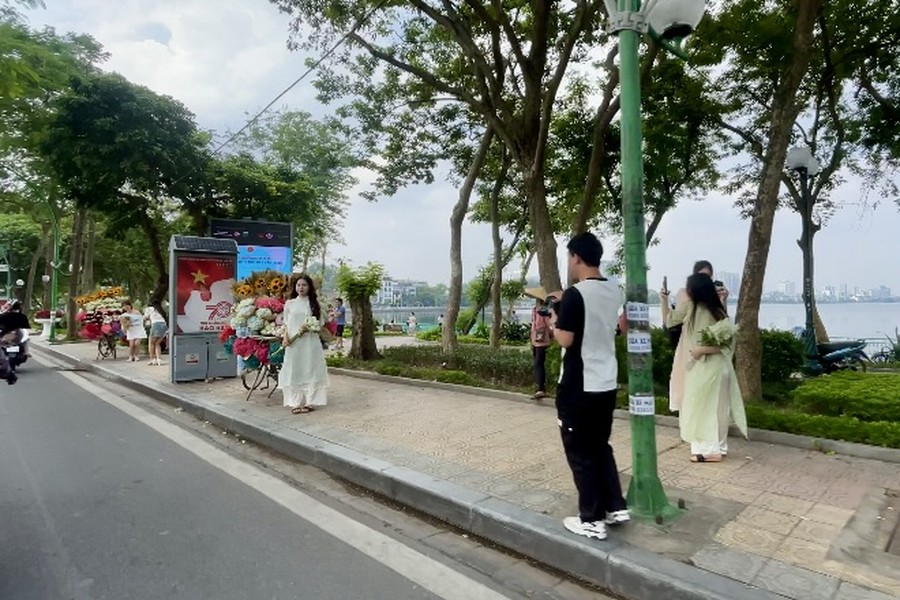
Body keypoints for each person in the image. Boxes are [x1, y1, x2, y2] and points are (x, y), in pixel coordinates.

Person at [550, 232, 629, 541]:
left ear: (577, 258)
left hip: (578, 384)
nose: (569, 263)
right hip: (606, 381)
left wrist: (556, 314)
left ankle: (591, 519)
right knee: (599, 445)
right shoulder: (614, 290)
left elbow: (565, 339)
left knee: (579, 451)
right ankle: (615, 506)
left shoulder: (575, 294)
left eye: (570, 257)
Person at [665, 273, 747, 462]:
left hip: (704, 368)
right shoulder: (718, 311)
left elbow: (670, 321)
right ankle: (720, 447)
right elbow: (727, 344)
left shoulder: (693, 308)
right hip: (722, 368)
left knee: (702, 408)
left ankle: (708, 451)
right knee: (720, 409)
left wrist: (701, 350)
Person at [662, 260, 727, 413]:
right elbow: (671, 319)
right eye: (702, 276)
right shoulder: (686, 296)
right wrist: (664, 300)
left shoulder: (714, 300)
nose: (705, 280)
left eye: (708, 277)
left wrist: (723, 300)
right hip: (689, 345)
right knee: (685, 382)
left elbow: (723, 326)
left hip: (708, 350)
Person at [279, 274, 329, 414]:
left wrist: (308, 328)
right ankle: (295, 402)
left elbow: (319, 323)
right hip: (294, 343)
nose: (301, 288)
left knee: (311, 369)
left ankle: (310, 401)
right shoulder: (290, 304)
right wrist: (285, 338)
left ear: (309, 287)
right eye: (299, 285)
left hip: (310, 342)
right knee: (294, 370)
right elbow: (287, 324)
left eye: (304, 285)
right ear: (295, 287)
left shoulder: (314, 303)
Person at [530, 297, 552, 400]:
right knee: (537, 363)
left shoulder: (544, 311)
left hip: (542, 340)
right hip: (535, 340)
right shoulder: (534, 310)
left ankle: (540, 388)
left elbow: (549, 324)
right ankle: (539, 387)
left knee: (539, 363)